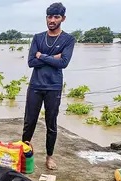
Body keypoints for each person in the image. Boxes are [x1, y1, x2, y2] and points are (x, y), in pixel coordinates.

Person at [22, 2, 75, 170]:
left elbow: (64, 63)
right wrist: (53, 57)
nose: (52, 20)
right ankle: (25, 153)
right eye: (49, 17)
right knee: (29, 122)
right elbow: (31, 62)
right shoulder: (38, 37)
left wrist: (42, 55)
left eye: (56, 17)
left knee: (51, 123)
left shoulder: (68, 39)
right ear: (46, 18)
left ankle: (49, 156)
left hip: (53, 87)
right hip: (36, 85)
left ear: (63, 18)